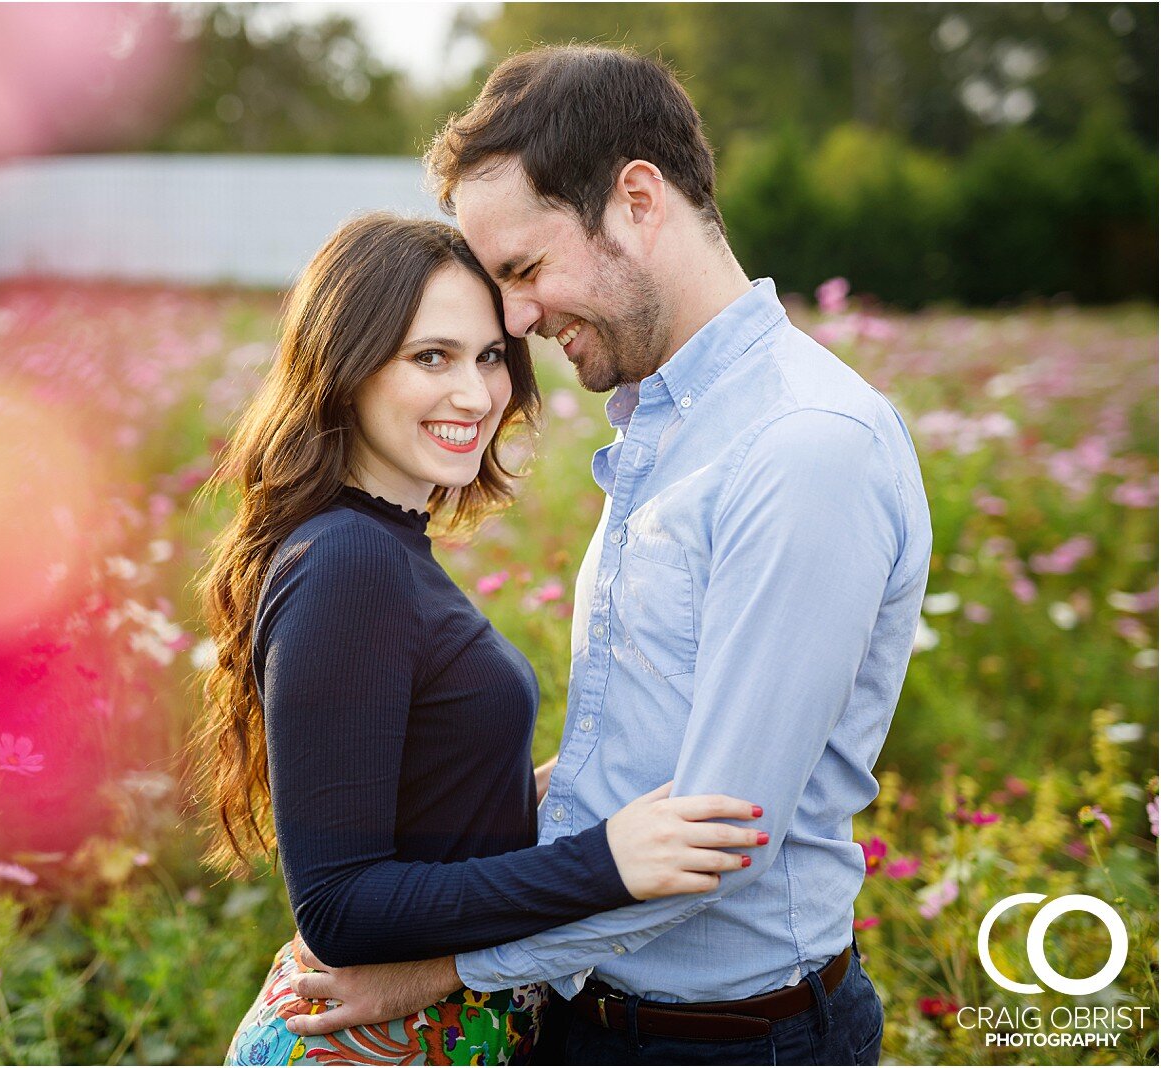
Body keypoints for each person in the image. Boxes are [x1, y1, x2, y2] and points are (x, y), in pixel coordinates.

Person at [280, 47, 933, 1066]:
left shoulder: (802, 446)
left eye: (524, 272)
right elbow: (632, 758)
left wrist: (444, 969)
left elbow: (717, 839)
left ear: (636, 200)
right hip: (592, 1014)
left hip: (727, 1042)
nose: (516, 323)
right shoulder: (666, 425)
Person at [196, 212, 766, 1066]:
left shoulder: (381, 540)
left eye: (490, 355)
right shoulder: (349, 561)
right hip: (377, 1046)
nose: (475, 395)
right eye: (432, 357)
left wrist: (570, 789)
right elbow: (341, 906)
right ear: (345, 367)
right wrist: (606, 864)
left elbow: (424, 802)